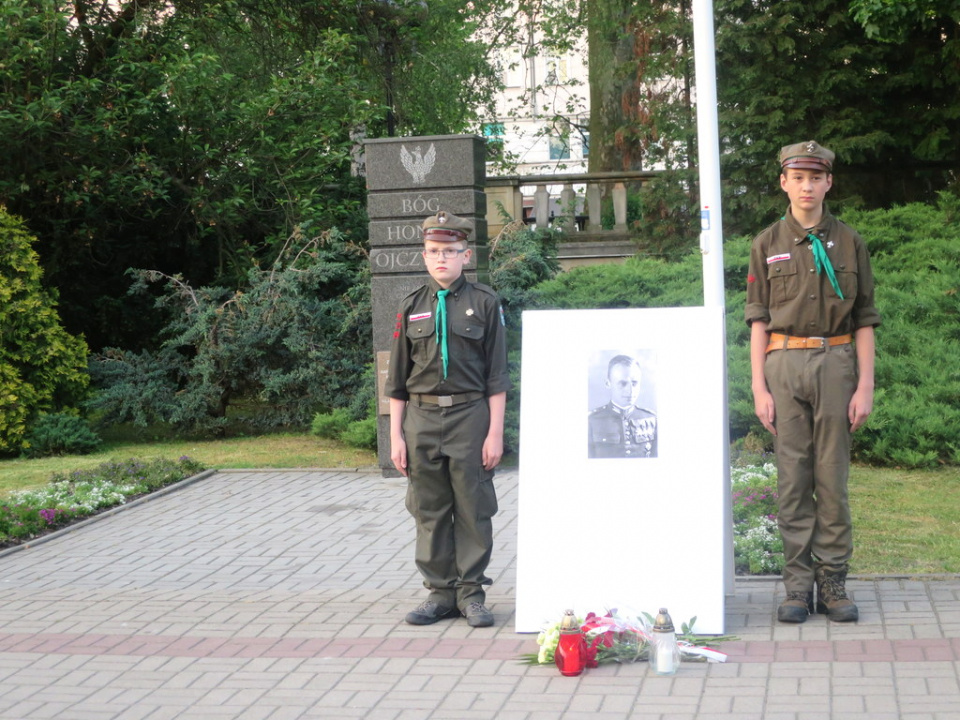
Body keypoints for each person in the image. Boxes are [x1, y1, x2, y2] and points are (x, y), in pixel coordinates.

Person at [745, 141, 881, 624]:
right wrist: (759, 387)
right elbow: (758, 320)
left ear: (828, 183)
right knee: (792, 480)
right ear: (784, 182)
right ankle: (798, 588)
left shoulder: (849, 242)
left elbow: (864, 318)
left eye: (815, 177)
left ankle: (833, 582)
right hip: (783, 364)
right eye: (797, 177)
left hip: (836, 361)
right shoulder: (766, 243)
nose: (806, 186)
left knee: (832, 478)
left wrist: (864, 385)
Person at [385, 210, 511, 628]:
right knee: (429, 508)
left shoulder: (485, 303)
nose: (441, 258)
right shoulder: (411, 307)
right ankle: (440, 594)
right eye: (433, 251)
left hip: (470, 416)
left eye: (450, 251)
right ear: (424, 256)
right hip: (420, 418)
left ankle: (471, 594)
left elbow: (497, 376)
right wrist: (396, 438)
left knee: (473, 507)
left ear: (465, 255)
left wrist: (495, 433)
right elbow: (397, 382)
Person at [587, 354, 657, 459]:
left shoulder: (651, 419)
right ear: (608, 384)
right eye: (622, 384)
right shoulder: (591, 421)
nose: (630, 390)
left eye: (634, 383)